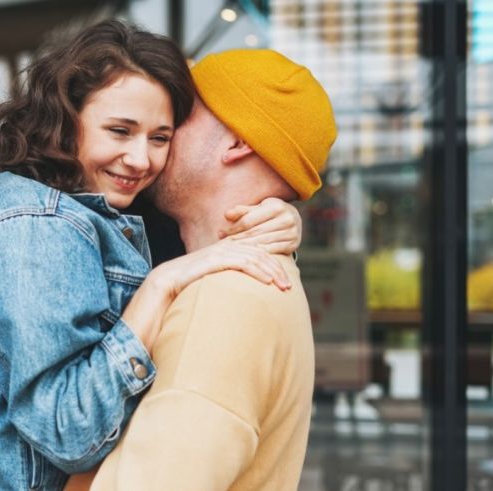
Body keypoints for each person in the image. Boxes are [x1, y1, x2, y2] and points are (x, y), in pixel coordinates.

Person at [0, 22, 303, 491]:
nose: (140, 159)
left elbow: (203, 199)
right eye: (120, 130)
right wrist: (158, 288)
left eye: (160, 138)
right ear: (65, 117)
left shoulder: (111, 209)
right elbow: (68, 434)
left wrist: (277, 213)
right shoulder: (34, 223)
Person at [67, 48, 338, 491]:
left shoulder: (224, 303)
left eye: (179, 112)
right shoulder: (257, 275)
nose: (160, 130)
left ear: (237, 143)